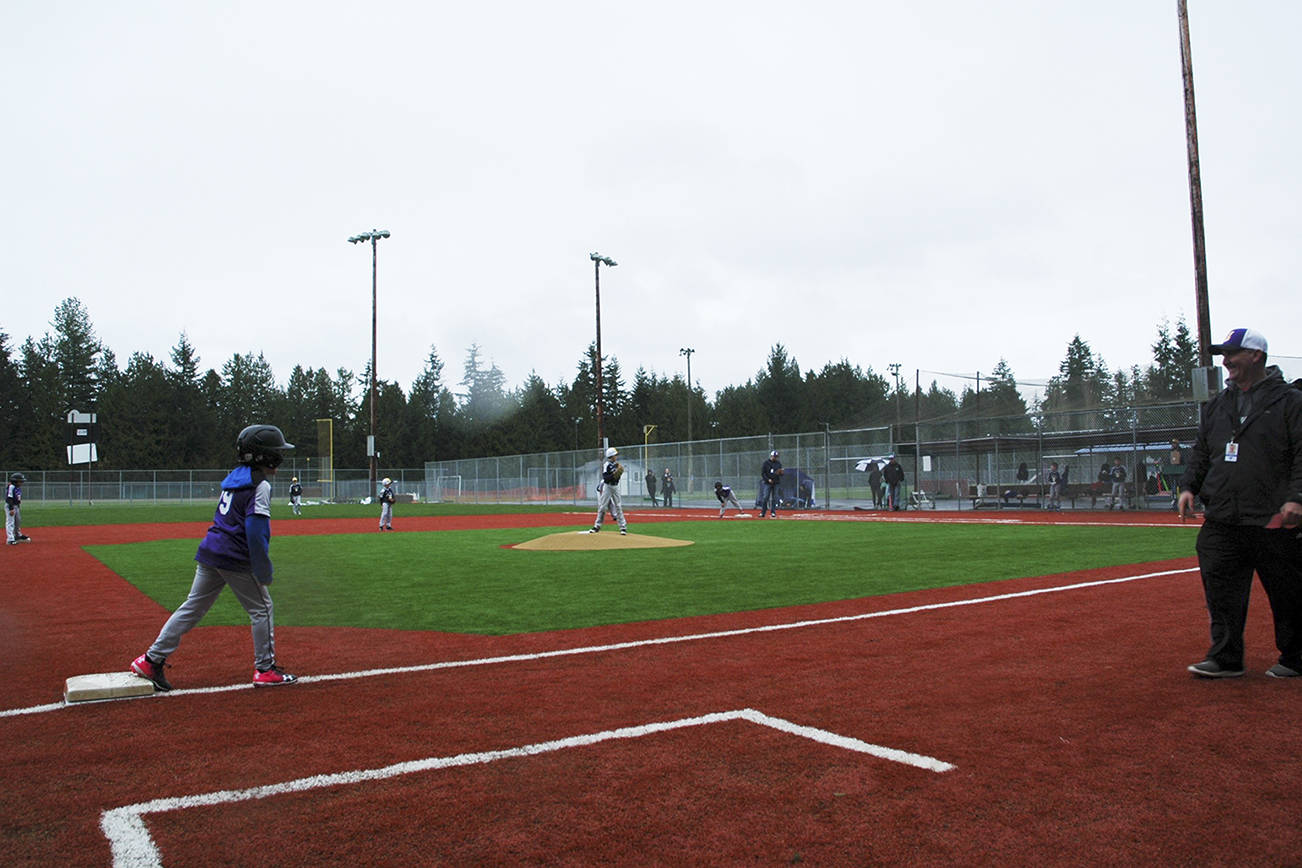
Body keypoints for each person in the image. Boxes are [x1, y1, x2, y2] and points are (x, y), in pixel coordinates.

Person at [129, 424, 299, 691]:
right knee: (262, 608)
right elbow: (255, 531)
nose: (280, 458)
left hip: (211, 550)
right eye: (277, 453)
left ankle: (151, 659)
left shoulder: (234, 478)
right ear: (264, 456)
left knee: (192, 607)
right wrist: (262, 567)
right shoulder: (259, 485)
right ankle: (265, 670)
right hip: (234, 555)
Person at [1177, 328, 1302, 679]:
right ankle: (1225, 656)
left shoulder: (1290, 402)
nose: (1225, 361)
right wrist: (1189, 487)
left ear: (1256, 356)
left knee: (1287, 591)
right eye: (1224, 354)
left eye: (1232, 354)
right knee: (1221, 590)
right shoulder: (1218, 405)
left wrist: (1297, 498)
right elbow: (1203, 451)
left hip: (1273, 516)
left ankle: (1296, 656)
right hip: (1224, 514)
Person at [588, 447, 627, 534]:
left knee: (618, 506)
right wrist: (614, 474)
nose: (616, 456)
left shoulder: (617, 465)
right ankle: (597, 526)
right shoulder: (607, 465)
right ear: (611, 456)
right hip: (607, 487)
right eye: (615, 455)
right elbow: (606, 479)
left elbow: (617, 477)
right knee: (602, 507)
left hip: (615, 487)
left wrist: (618, 474)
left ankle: (623, 527)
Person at [6, 473, 31, 545]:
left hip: (16, 506)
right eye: (20, 481)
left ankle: (17, 535)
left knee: (18, 521)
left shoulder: (17, 487)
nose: (21, 482)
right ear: (15, 481)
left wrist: (18, 506)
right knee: (10, 522)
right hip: (11, 506)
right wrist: (11, 509)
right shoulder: (11, 487)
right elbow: (9, 498)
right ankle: (10, 539)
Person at [759, 450, 783, 518]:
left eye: (776, 457)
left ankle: (773, 512)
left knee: (774, 497)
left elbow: (780, 472)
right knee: (765, 497)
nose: (775, 458)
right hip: (768, 483)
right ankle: (763, 512)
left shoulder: (778, 463)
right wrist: (768, 479)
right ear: (771, 456)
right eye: (774, 456)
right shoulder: (766, 463)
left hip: (776, 483)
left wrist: (781, 473)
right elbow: (763, 473)